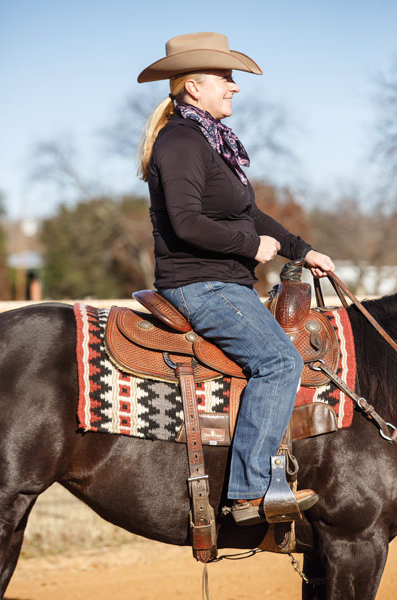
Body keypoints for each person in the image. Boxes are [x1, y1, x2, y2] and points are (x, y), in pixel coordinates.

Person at [137, 32, 335, 526]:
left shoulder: (211, 141)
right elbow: (186, 223)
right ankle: (251, 492)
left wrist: (303, 250)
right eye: (225, 78)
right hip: (200, 285)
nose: (234, 87)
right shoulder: (181, 141)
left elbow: (249, 212)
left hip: (224, 282)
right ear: (193, 87)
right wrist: (250, 247)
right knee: (278, 362)